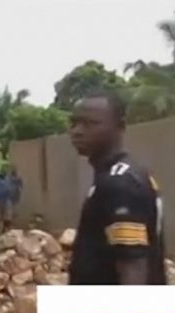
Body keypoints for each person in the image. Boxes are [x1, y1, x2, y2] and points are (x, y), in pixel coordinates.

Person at [68, 90, 166, 285]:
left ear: (119, 127)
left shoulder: (119, 184)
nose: (77, 131)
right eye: (74, 123)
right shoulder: (121, 174)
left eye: (90, 123)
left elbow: (133, 267)